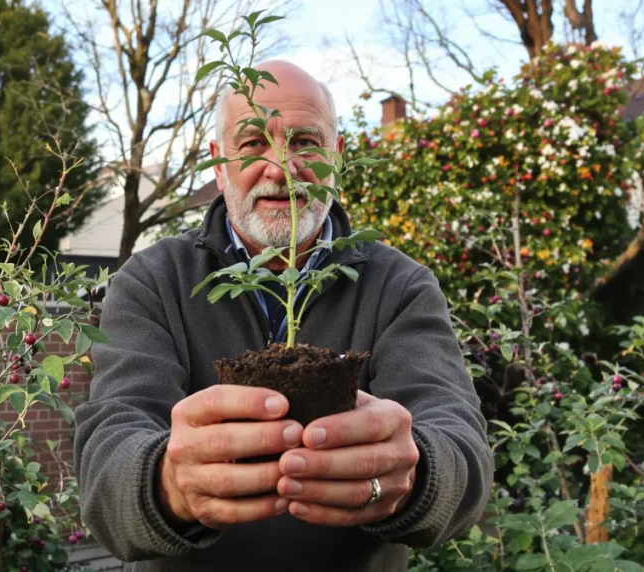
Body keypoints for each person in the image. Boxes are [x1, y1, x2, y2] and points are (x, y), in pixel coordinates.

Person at [74, 60, 493, 572]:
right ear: (218, 162)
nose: (280, 167)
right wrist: (166, 484)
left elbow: (461, 444)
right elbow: (106, 456)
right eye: (252, 142)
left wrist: (416, 473)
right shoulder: (152, 281)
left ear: (336, 157)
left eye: (305, 143)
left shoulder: (399, 286)